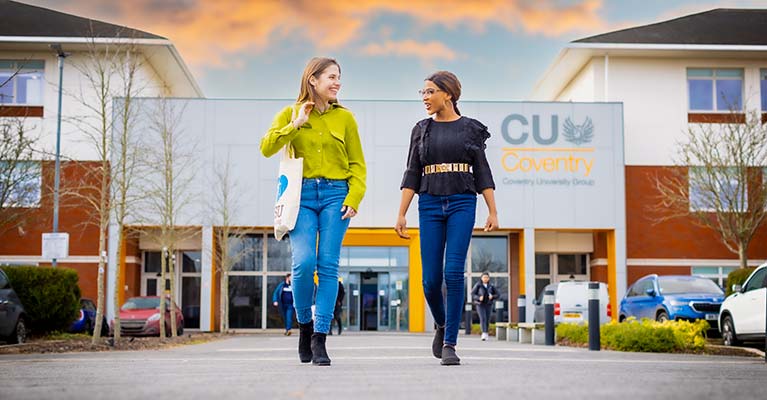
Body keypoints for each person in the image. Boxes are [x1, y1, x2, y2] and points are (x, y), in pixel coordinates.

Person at [260, 57, 366, 366]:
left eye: (339, 78)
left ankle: (320, 338)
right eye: (331, 77)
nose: (337, 83)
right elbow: (266, 147)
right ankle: (304, 327)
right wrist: (296, 125)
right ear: (313, 80)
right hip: (301, 195)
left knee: (328, 266)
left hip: (336, 195)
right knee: (304, 263)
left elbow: (358, 164)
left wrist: (355, 197)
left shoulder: (346, 119)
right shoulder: (290, 113)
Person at [395, 71, 498, 366]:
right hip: (428, 204)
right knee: (430, 281)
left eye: (429, 92)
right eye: (422, 93)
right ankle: (441, 324)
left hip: (462, 203)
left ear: (448, 94)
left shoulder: (470, 129)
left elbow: (482, 172)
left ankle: (451, 343)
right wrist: (401, 212)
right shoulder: (421, 129)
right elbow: (412, 172)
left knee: (453, 272)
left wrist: (492, 209)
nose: (424, 98)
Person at [471, 272, 499, 341]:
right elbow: (472, 294)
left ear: (488, 278)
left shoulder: (491, 285)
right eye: (484, 277)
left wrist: (492, 296)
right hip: (480, 305)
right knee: (483, 318)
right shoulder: (478, 285)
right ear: (481, 278)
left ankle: (486, 332)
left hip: (488, 304)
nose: (485, 279)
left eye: (487, 277)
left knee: (487, 319)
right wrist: (478, 297)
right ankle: (483, 333)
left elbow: (498, 294)